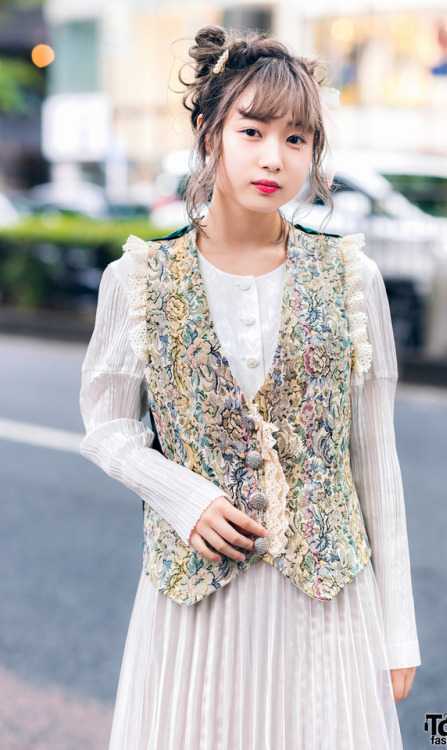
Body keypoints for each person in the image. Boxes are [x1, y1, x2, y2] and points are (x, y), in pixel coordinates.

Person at [79, 24, 421, 750]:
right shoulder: (136, 279)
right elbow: (106, 428)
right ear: (210, 134)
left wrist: (399, 631)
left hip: (330, 605)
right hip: (196, 610)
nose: (274, 156)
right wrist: (184, 495)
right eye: (254, 129)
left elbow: (376, 461)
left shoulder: (353, 280)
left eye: (297, 140)